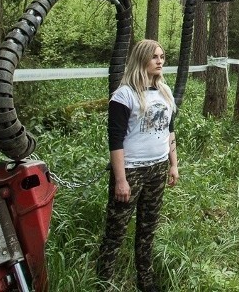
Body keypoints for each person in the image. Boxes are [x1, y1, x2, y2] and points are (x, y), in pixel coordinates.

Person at [97, 39, 179, 292]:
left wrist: (173, 165)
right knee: (116, 229)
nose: (160, 61)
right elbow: (115, 140)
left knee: (148, 227)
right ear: (142, 59)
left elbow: (170, 131)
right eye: (155, 57)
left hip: (157, 168)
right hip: (131, 171)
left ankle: (146, 280)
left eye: (162, 57)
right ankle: (103, 282)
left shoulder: (164, 92)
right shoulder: (124, 95)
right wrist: (121, 180)